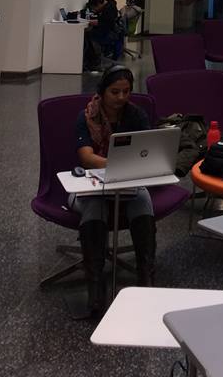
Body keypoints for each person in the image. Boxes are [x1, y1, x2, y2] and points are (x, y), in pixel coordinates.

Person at [73, 66, 156, 316]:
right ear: (102, 91)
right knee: (94, 206)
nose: (121, 97)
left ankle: (146, 279)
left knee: (142, 200)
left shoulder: (136, 115)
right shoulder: (86, 116)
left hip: (127, 181)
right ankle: (95, 288)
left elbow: (145, 152)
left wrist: (125, 167)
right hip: (91, 182)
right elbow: (86, 158)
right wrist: (117, 163)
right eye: (115, 92)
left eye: (126, 91)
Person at [83, 0, 120, 72]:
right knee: (88, 34)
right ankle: (93, 60)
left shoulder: (108, 10)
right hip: (112, 32)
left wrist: (95, 23)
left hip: (108, 34)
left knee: (87, 36)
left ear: (99, 4)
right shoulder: (111, 5)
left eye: (94, 7)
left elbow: (106, 23)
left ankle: (94, 61)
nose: (94, 10)